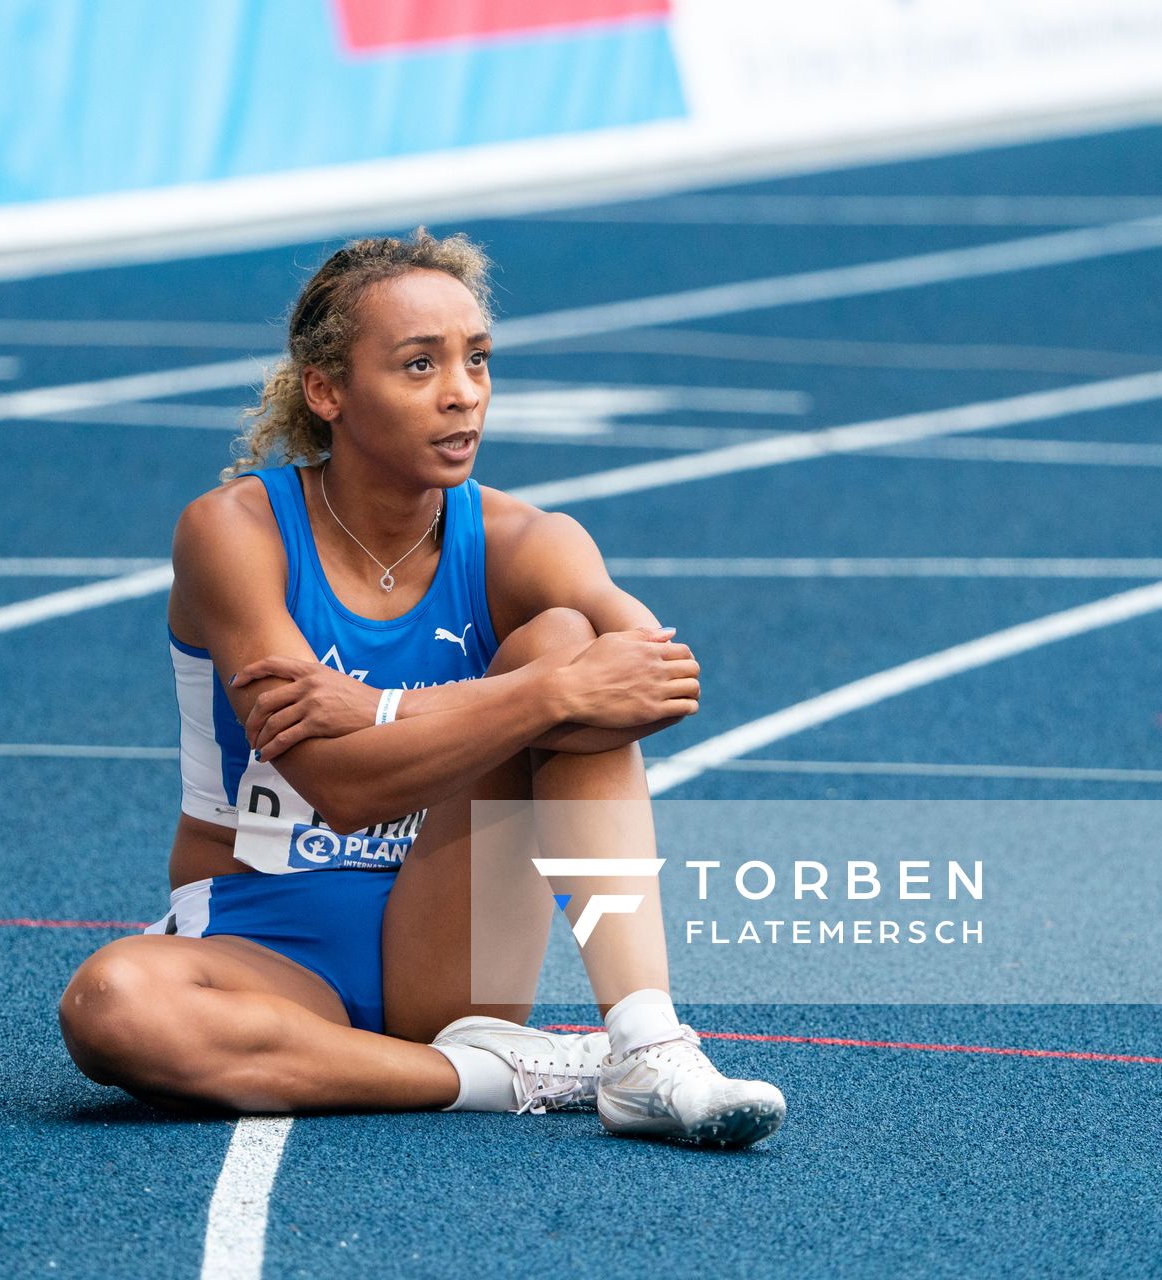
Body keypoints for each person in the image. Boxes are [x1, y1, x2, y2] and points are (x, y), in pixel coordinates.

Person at [58, 230, 785, 1146]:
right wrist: (544, 696)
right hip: (264, 950)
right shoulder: (235, 533)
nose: (462, 392)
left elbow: (653, 676)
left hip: (453, 929)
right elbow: (344, 786)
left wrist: (376, 707)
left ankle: (645, 1042)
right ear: (327, 391)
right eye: (418, 364)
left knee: (564, 637)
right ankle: (493, 1074)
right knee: (111, 1003)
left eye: (477, 359)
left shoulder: (527, 542)